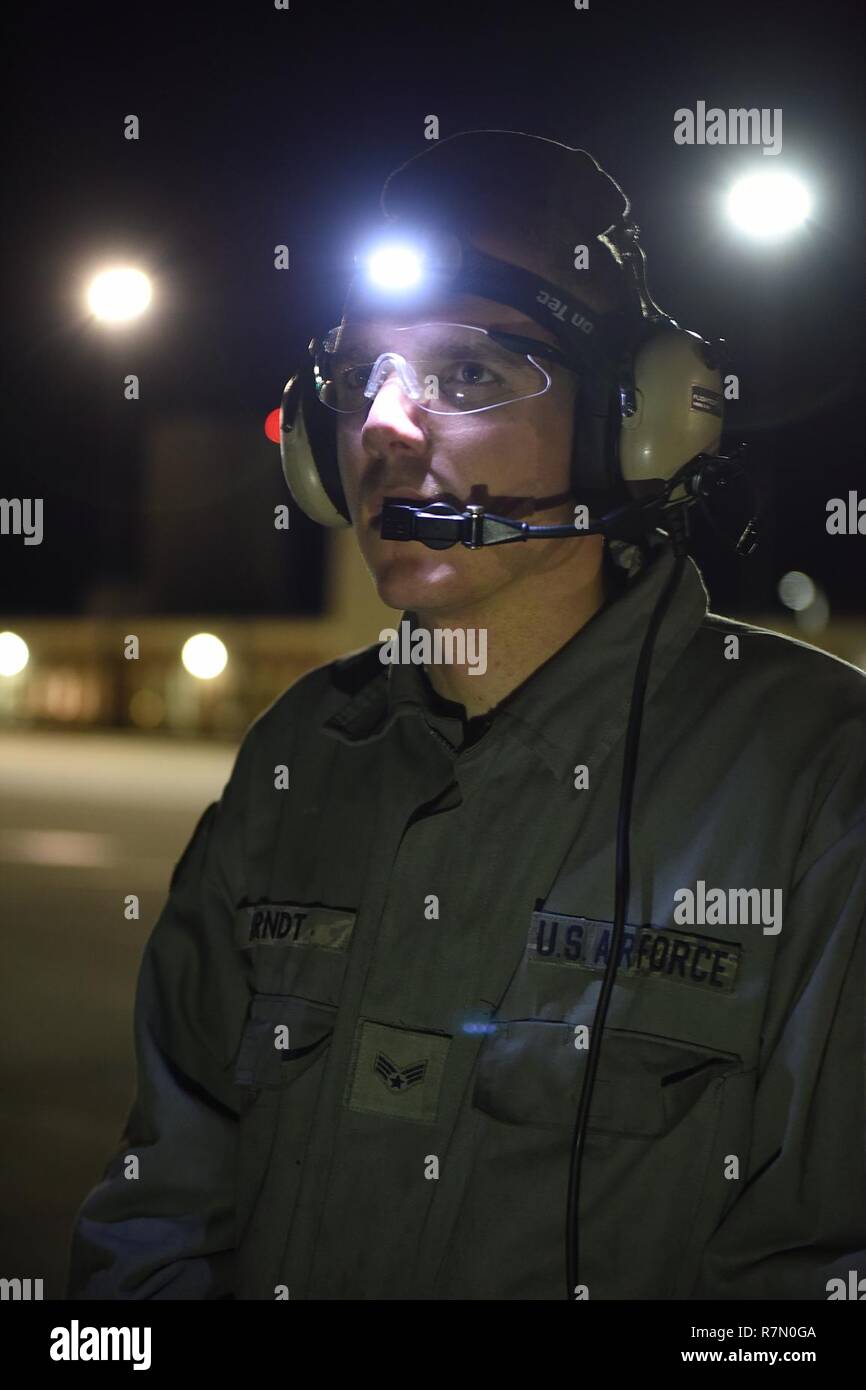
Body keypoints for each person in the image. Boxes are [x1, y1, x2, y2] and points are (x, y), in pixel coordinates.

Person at [67, 129, 866, 1301]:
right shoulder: (297, 755)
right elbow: (159, 1208)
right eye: (358, 381)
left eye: (467, 376)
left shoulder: (818, 778)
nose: (383, 429)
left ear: (631, 427)